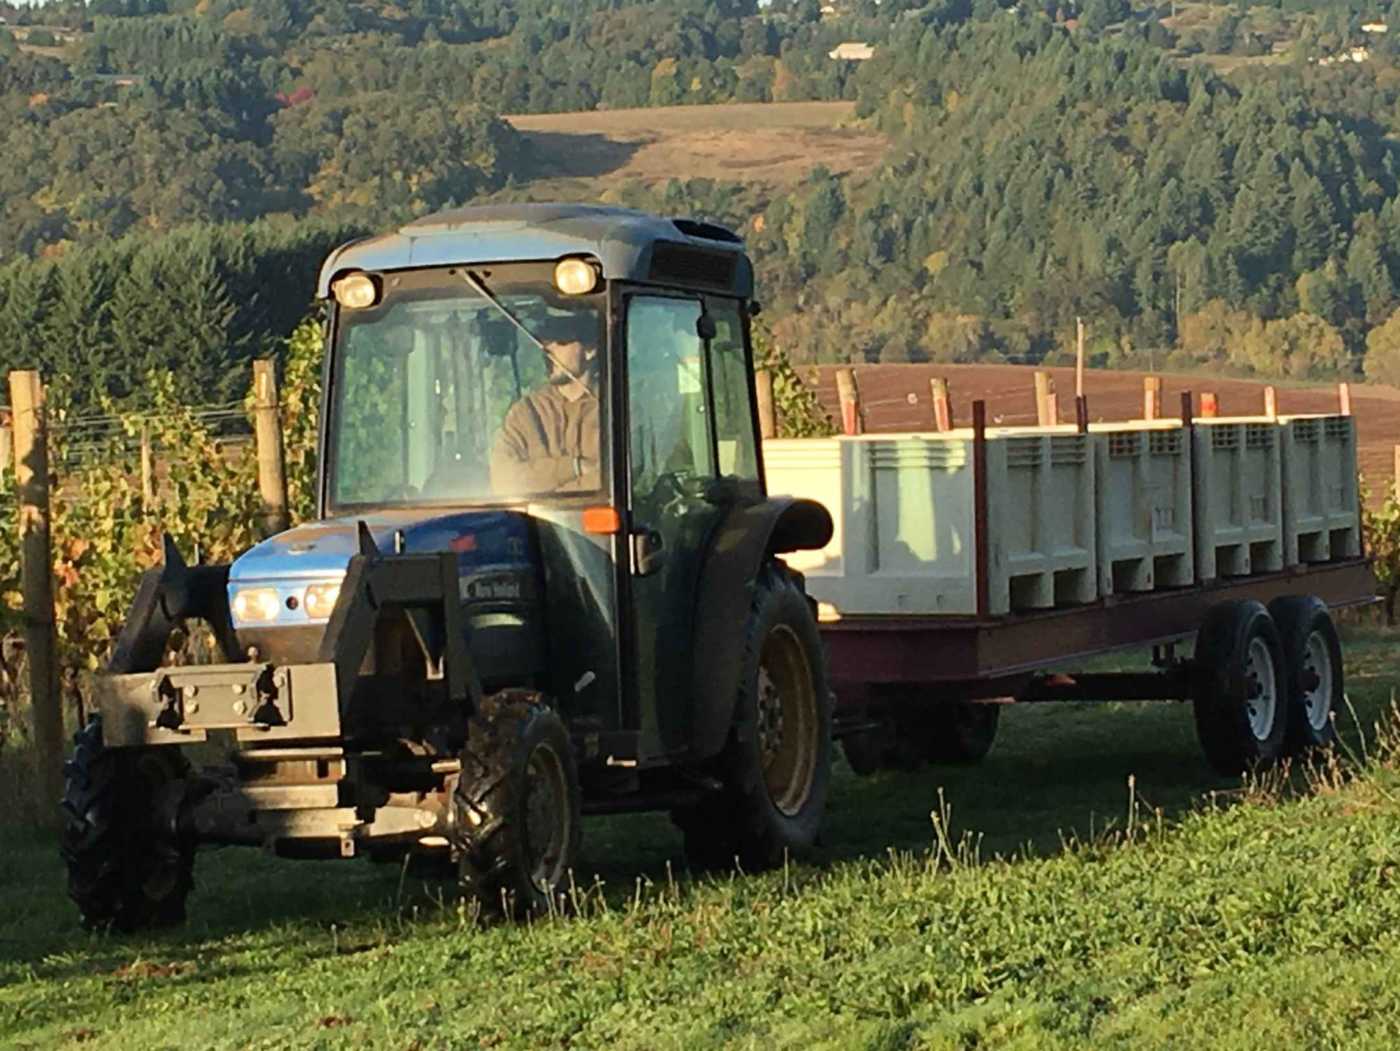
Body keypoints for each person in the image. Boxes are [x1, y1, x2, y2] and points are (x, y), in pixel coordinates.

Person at [489, 312, 603, 494]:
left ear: (590, 350)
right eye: (546, 342)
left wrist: (543, 486)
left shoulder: (615, 411)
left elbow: (614, 481)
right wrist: (574, 467)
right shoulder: (526, 412)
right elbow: (503, 480)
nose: (549, 350)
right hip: (531, 521)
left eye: (561, 341)